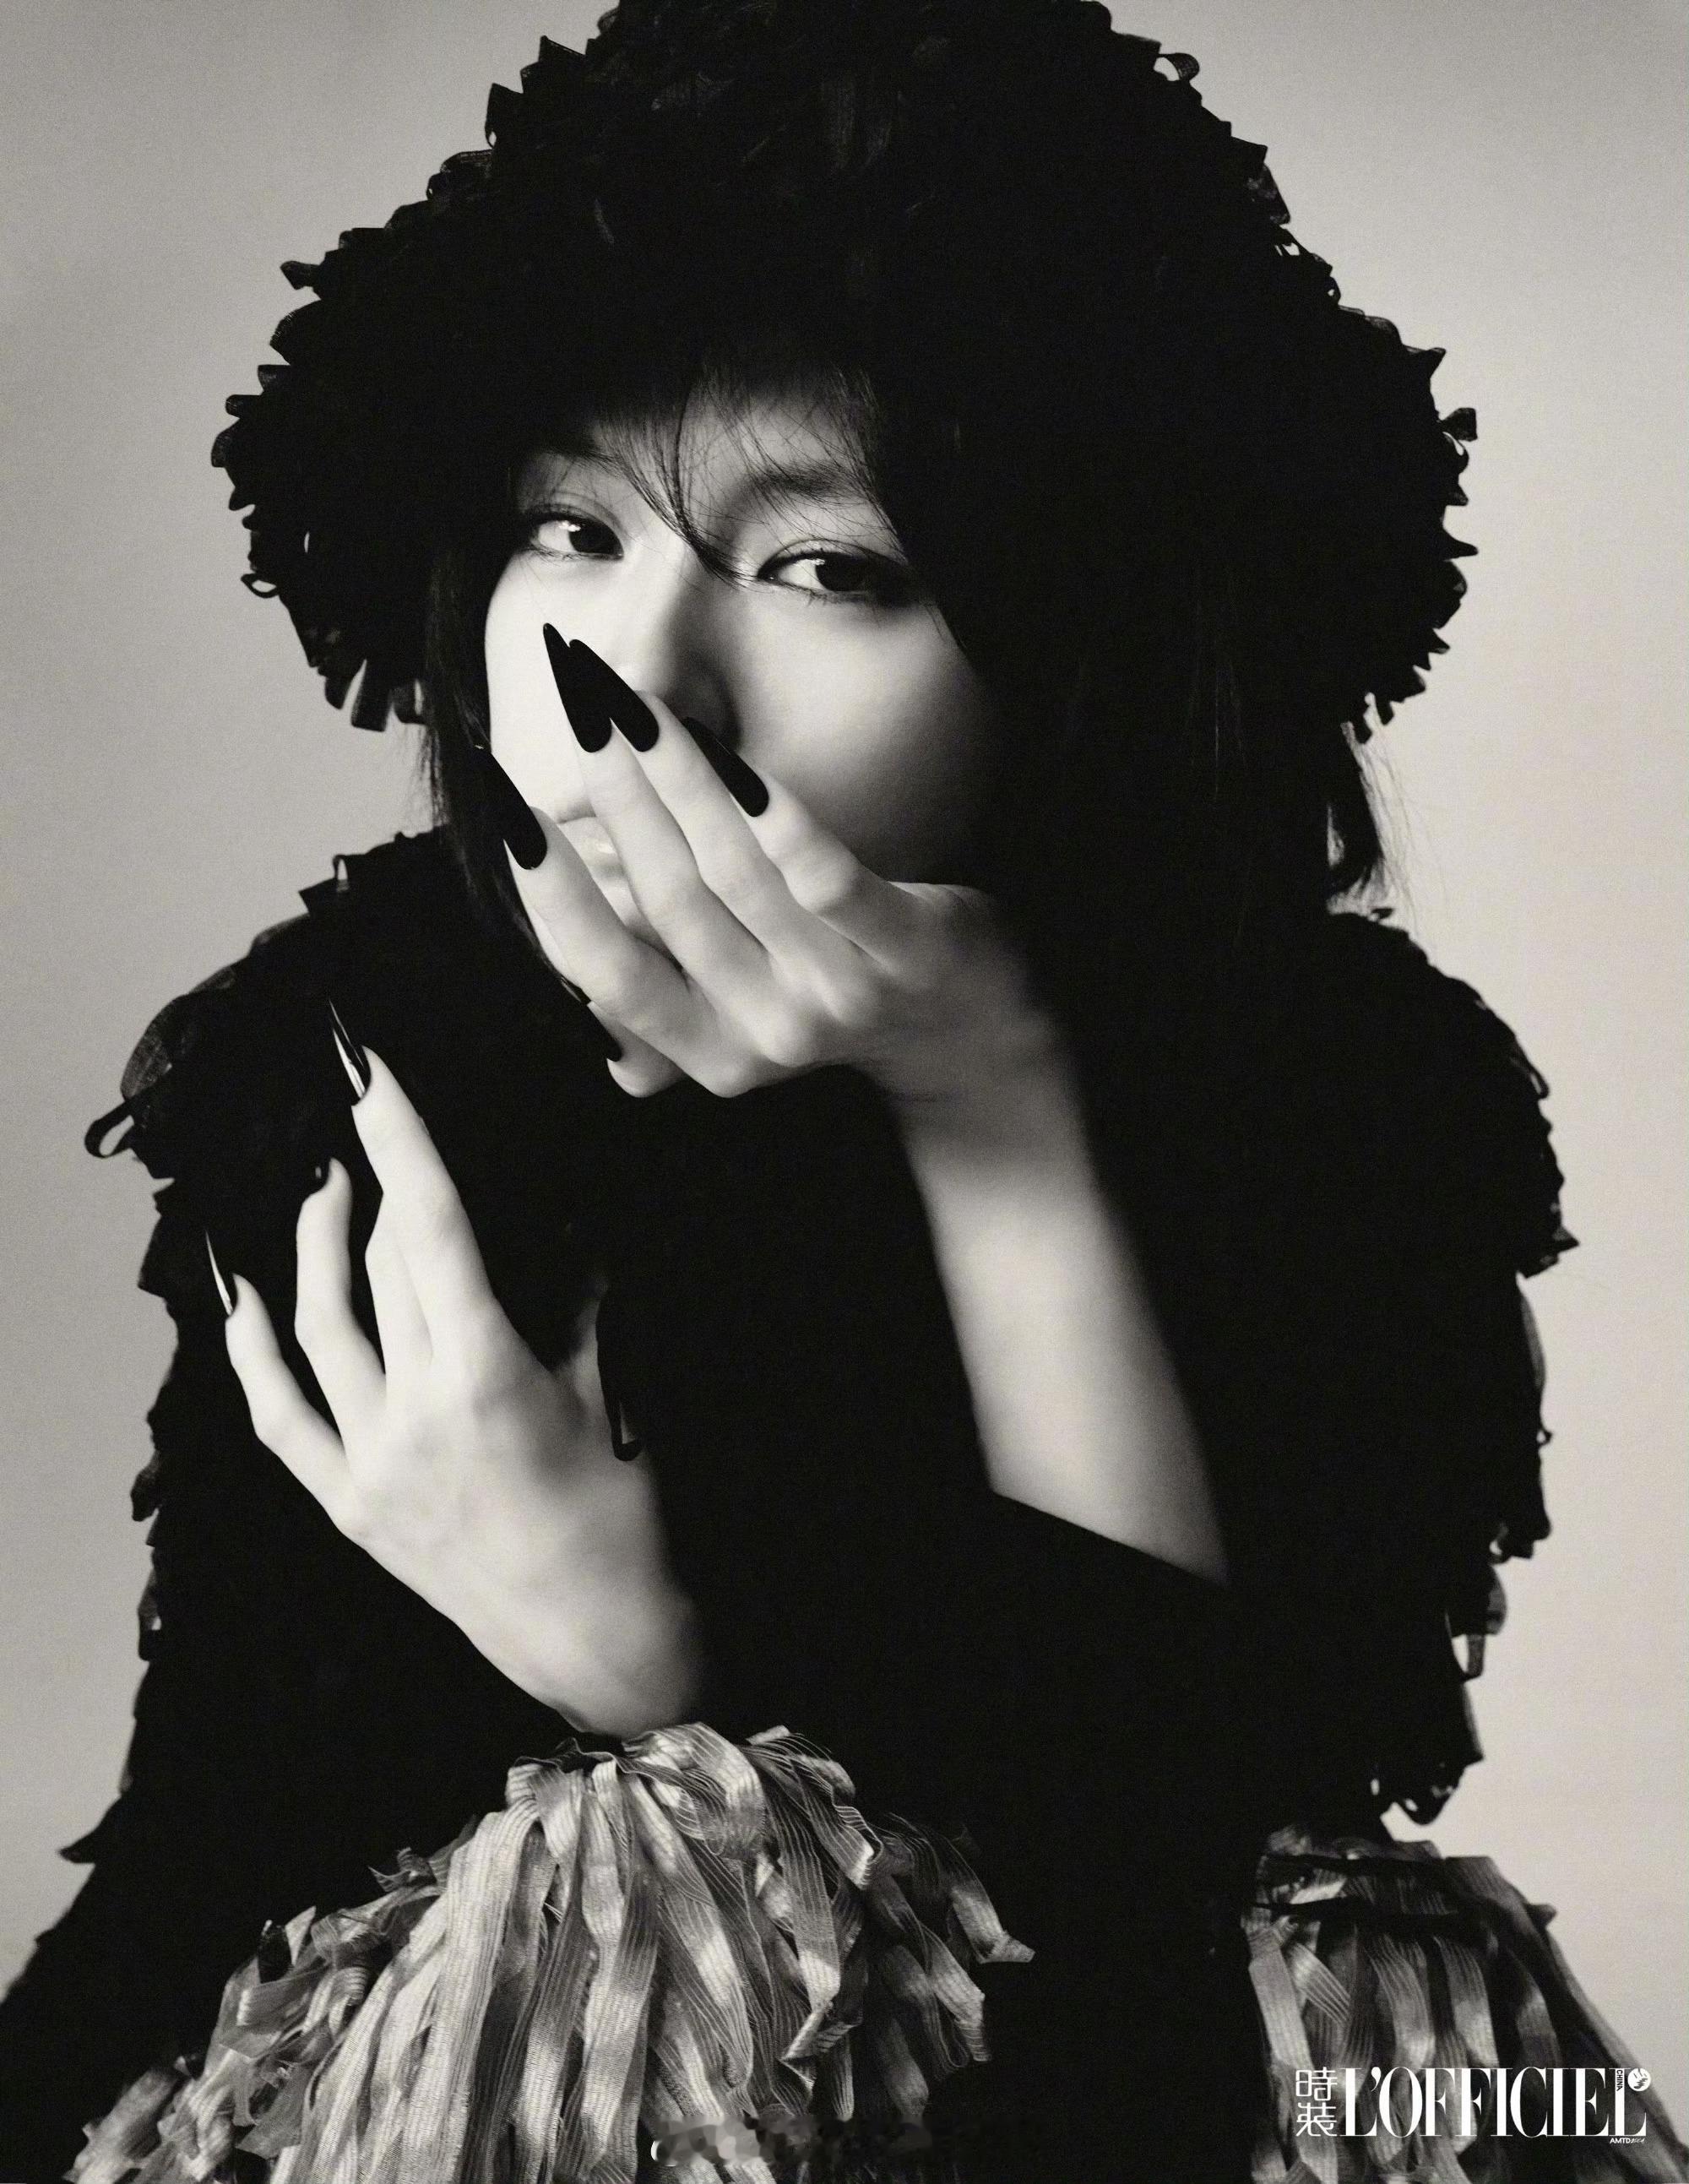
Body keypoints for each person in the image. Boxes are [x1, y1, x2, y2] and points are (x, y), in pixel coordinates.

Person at [3, 3, 1682, 2181]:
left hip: (1124, 2095)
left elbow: (1190, 1921)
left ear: (1074, 646)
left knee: (1383, 2014)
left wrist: (994, 1119)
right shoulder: (363, 1072)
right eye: (567, 529)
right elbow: (192, 1880)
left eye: (827, 568)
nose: (639, 679)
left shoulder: (1331, 1104)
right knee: (624, 1892)